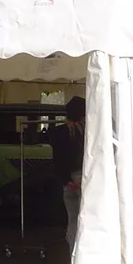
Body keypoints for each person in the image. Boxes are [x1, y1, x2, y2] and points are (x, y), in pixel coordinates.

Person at [50, 96, 85, 254]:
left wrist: (67, 180)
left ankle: (72, 253)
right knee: (85, 219)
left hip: (68, 181)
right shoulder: (86, 133)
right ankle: (81, 256)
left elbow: (58, 159)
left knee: (72, 219)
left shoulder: (58, 132)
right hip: (84, 179)